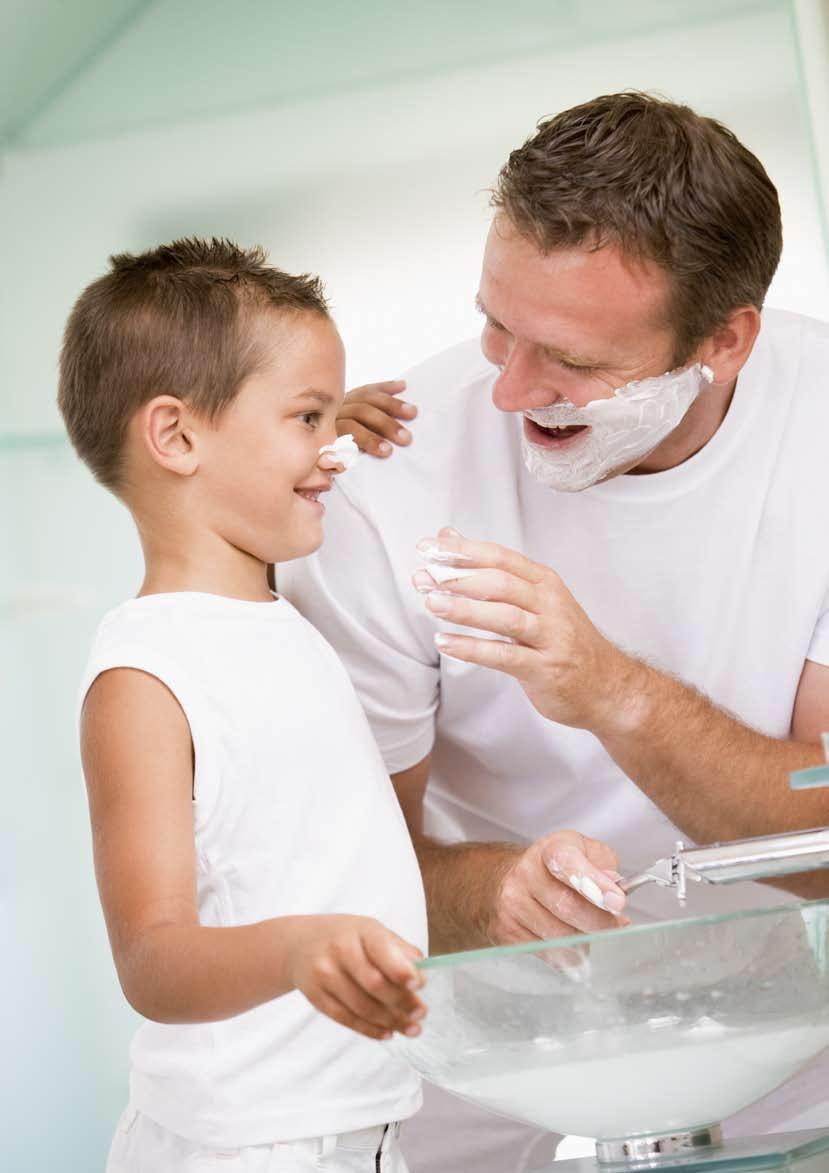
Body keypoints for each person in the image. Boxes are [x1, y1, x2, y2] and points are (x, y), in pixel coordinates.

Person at [278, 92, 829, 1171]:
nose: (508, 389)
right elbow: (353, 871)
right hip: (484, 1041)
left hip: (789, 1028)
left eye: (570, 361)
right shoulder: (387, 488)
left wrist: (610, 693)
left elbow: (822, 842)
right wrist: (494, 891)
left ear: (725, 340)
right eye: (496, 325)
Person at [57, 238, 437, 1173]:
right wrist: (293, 952)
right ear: (178, 438)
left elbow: (246, 476)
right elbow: (151, 959)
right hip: (246, 1150)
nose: (334, 449)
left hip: (362, 1133)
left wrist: (309, 422)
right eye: (305, 418)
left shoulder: (266, 606)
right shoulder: (143, 679)